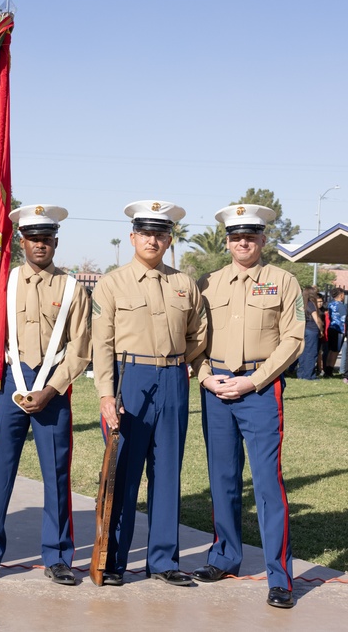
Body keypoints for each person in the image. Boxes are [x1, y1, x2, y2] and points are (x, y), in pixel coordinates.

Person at [0, 205, 91, 584]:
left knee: (56, 475)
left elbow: (81, 348)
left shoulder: (73, 289)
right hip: (6, 385)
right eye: (33, 238)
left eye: (47, 239)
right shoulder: (3, 283)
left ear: (55, 241)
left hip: (53, 387)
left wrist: (52, 389)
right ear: (21, 242)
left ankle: (58, 557)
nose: (40, 245)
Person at [190, 204, 303, 609]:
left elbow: (293, 340)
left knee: (268, 485)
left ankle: (280, 577)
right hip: (216, 388)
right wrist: (204, 376)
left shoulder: (283, 281)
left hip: (259, 389)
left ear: (263, 239)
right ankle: (225, 557)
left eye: (251, 236)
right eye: (236, 236)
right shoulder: (208, 282)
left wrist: (253, 381)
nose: (243, 242)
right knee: (222, 480)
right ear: (226, 240)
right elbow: (194, 339)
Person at [91, 200, 206, 587]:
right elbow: (101, 344)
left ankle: (163, 561)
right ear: (133, 237)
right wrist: (107, 394)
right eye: (146, 233)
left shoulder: (184, 284)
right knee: (122, 472)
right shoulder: (112, 283)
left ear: (169, 238)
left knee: (167, 470)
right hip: (130, 381)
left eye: (160, 233)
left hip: (173, 378)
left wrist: (175, 363)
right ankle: (113, 561)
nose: (153, 240)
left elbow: (199, 332)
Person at [296, 286, 321, 379]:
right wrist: (321, 329)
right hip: (312, 330)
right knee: (311, 353)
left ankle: (301, 373)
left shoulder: (302, 304)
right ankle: (309, 375)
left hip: (303, 330)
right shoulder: (311, 304)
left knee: (303, 353)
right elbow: (317, 319)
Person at [327, 288, 346, 378]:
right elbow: (344, 318)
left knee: (331, 350)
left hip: (331, 328)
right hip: (339, 330)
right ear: (341, 295)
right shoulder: (340, 305)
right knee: (336, 351)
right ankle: (330, 370)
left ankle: (327, 369)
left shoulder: (331, 304)